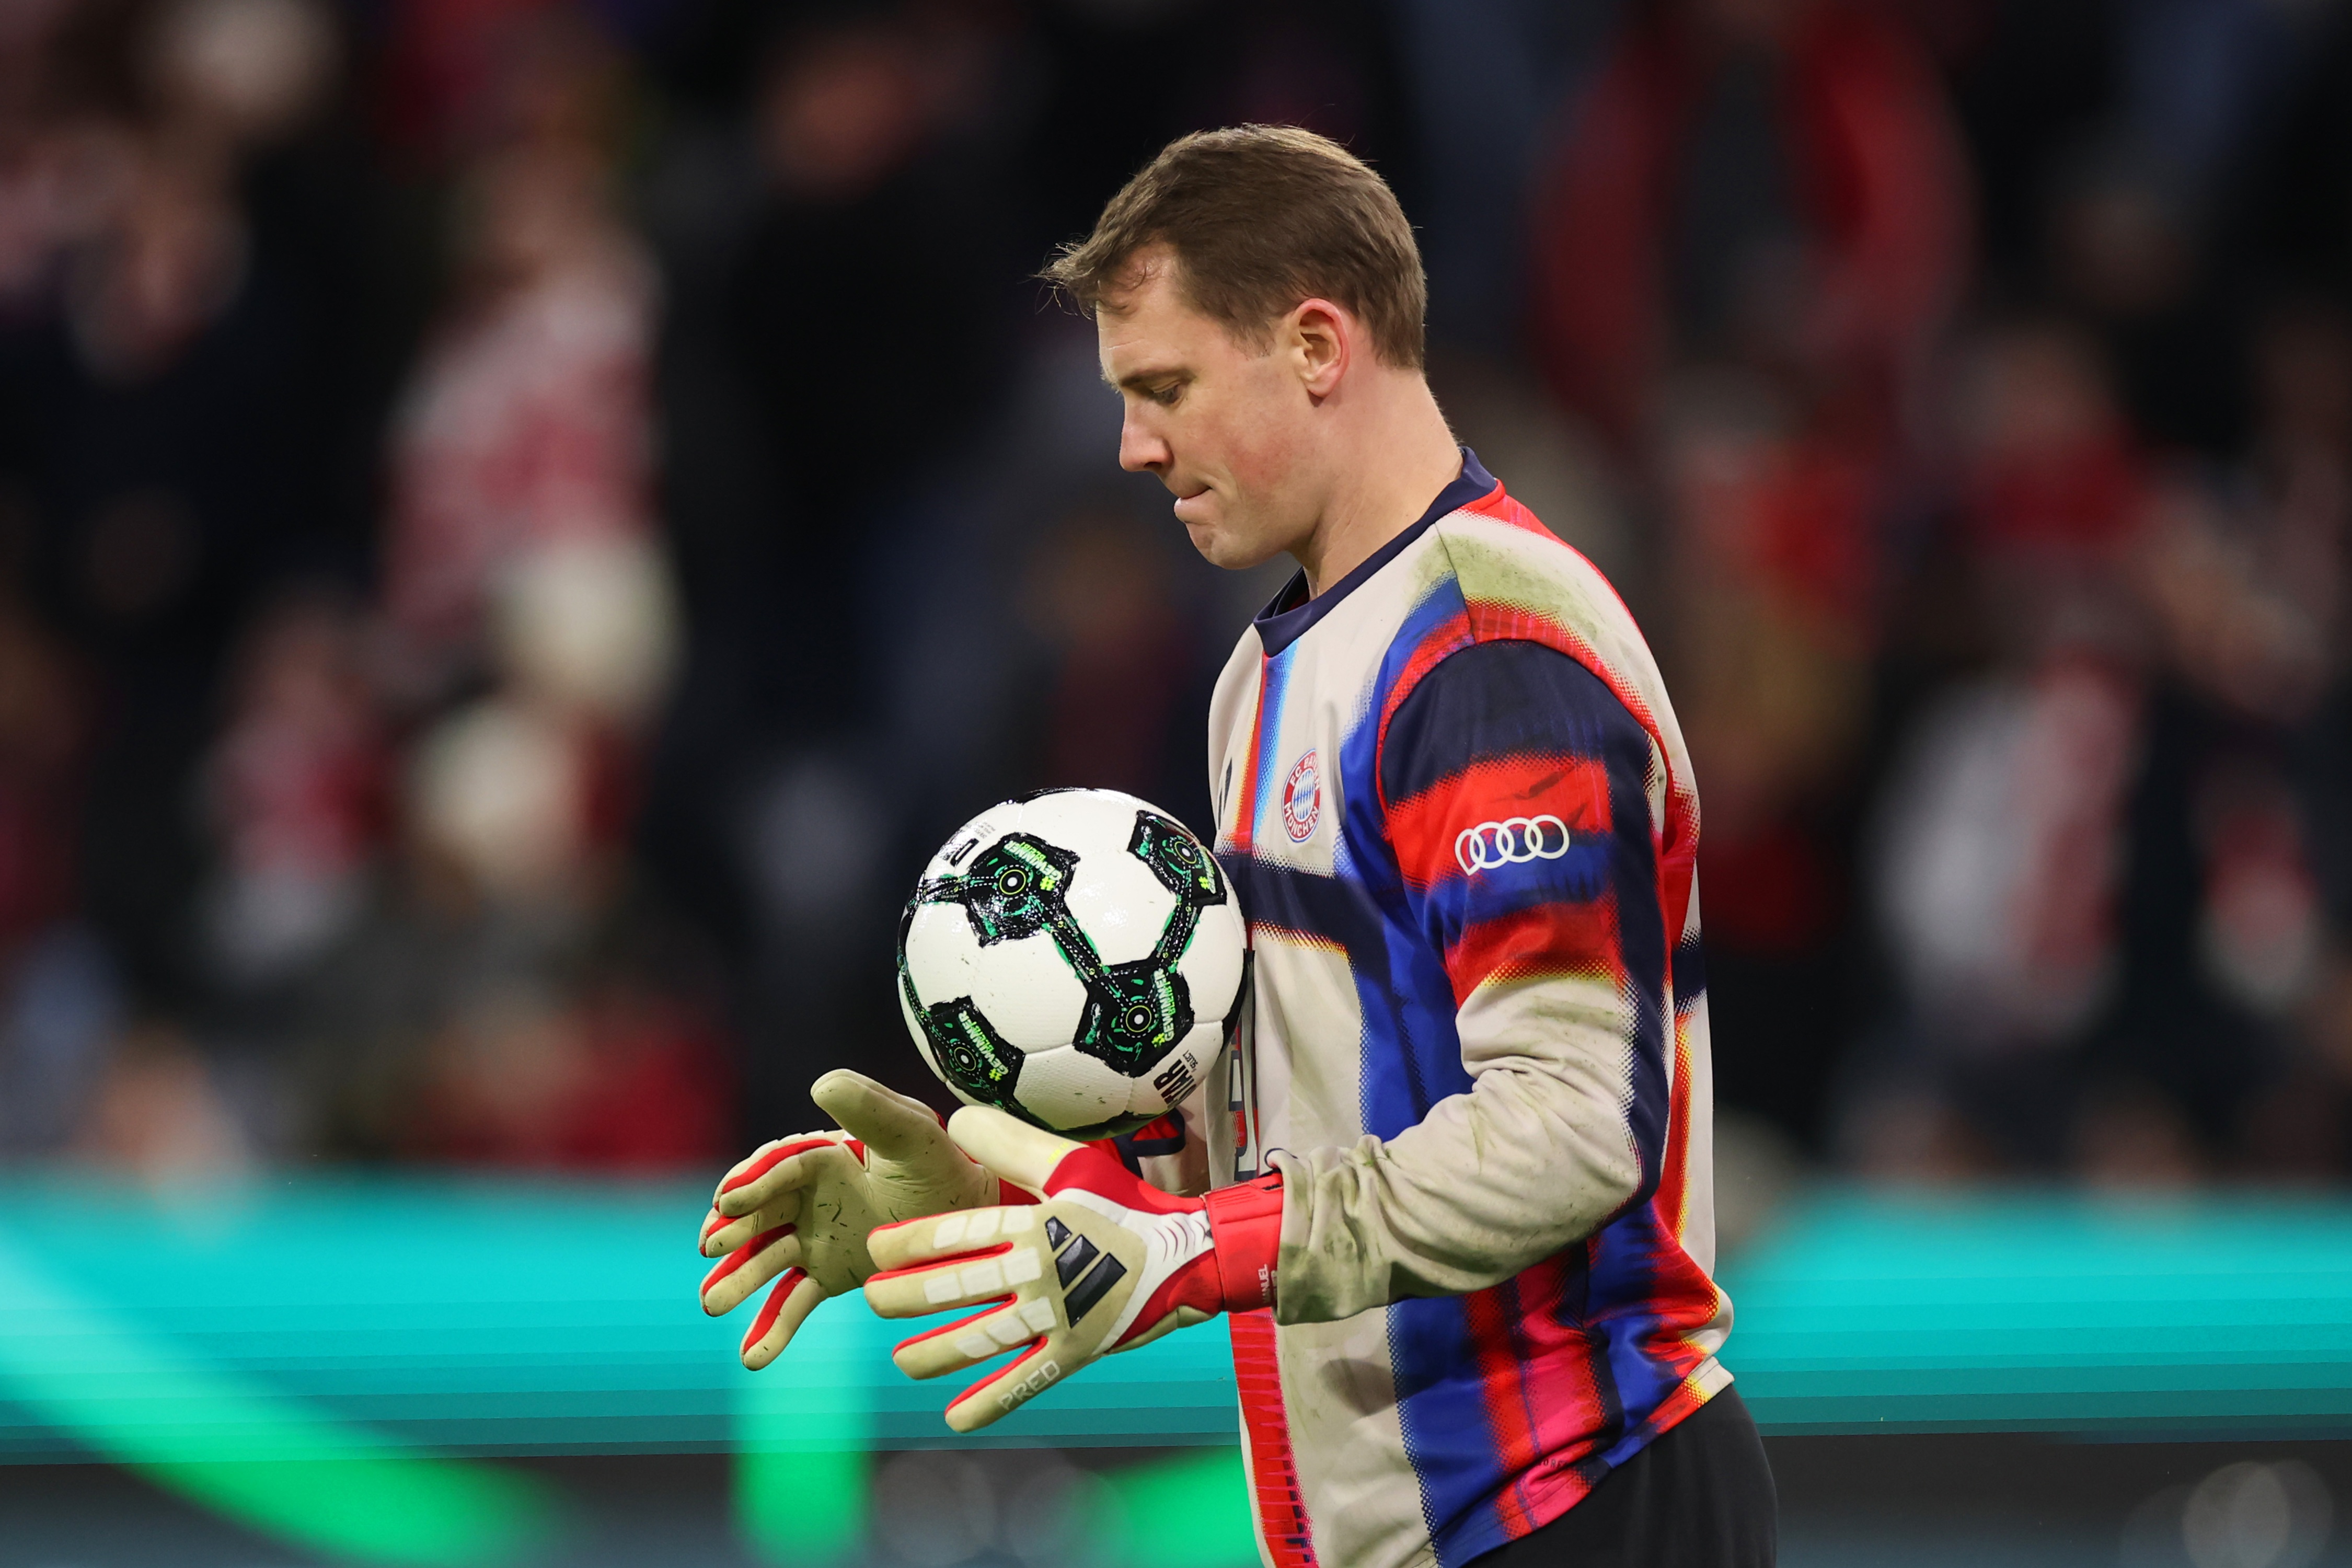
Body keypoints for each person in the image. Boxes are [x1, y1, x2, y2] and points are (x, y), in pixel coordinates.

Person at [696, 126, 1775, 1568]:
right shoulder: (1268, 672)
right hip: (1410, 1529)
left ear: (1316, 346)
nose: (1134, 446)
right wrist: (1003, 1188)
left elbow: (1574, 1126)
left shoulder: (1487, 658)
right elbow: (1302, 1101)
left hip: (1571, 1498)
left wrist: (1194, 1254)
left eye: (1164, 389)